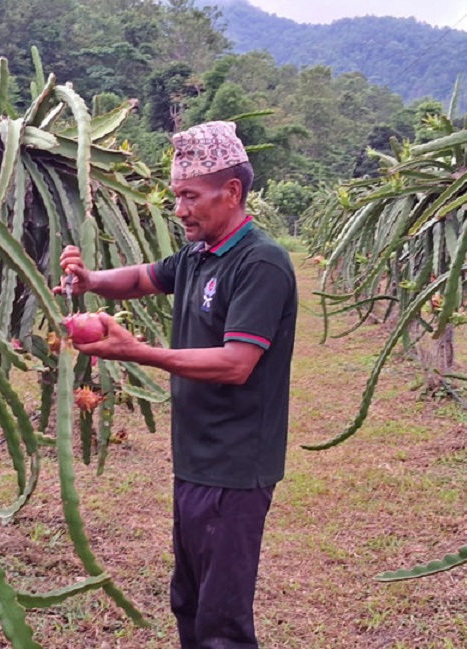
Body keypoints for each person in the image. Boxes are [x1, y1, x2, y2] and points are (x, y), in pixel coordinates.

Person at [53, 121, 298, 649]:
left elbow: (237, 363)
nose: (180, 209)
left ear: (231, 192)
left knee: (222, 619)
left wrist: (137, 353)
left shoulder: (260, 261)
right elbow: (143, 278)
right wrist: (93, 281)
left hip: (234, 465)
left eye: (190, 196)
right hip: (194, 458)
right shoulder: (198, 254)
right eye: (176, 197)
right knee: (189, 600)